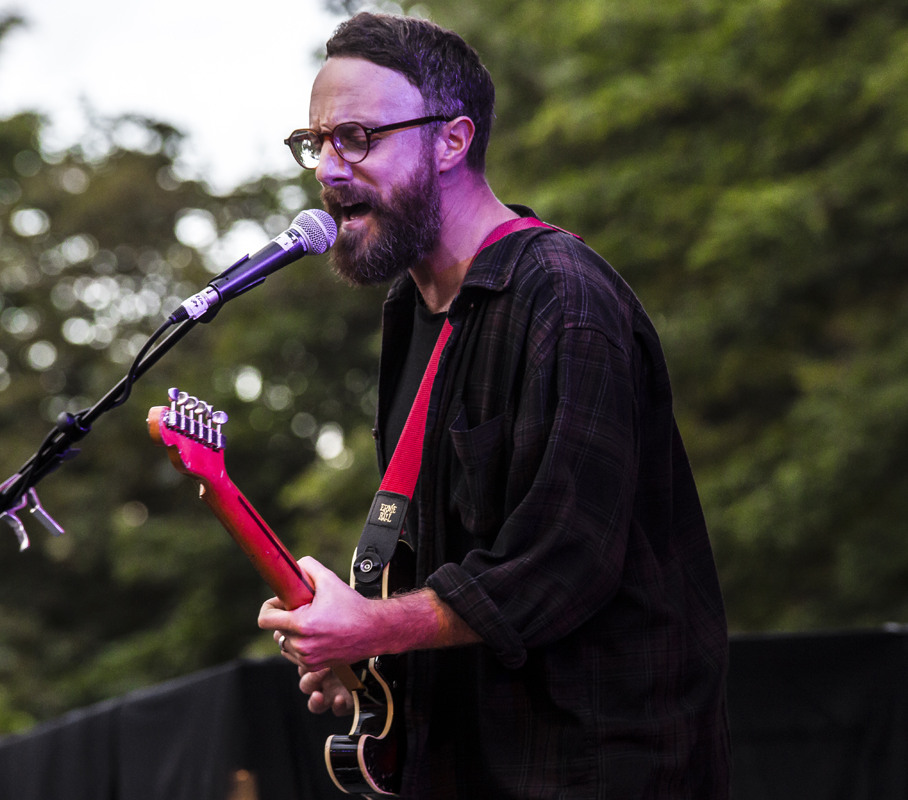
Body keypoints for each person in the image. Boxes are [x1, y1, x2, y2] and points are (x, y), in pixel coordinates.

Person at [257, 12, 730, 799]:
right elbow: (444, 570)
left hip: (597, 768)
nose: (329, 170)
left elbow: (563, 562)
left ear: (451, 140)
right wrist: (371, 661)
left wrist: (374, 625)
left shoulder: (563, 294)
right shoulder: (411, 315)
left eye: (358, 137)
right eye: (316, 143)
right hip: (470, 762)